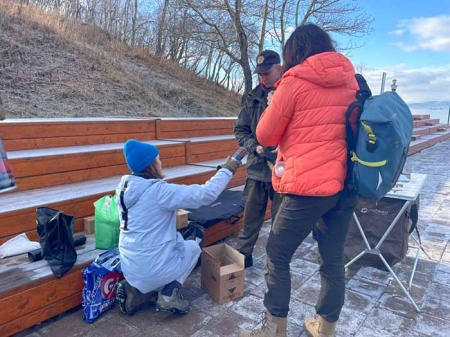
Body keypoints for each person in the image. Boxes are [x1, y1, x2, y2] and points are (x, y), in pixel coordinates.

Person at [240, 24, 359, 337]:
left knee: (276, 254)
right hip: (342, 186)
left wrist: (272, 106)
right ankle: (325, 327)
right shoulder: (351, 80)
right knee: (333, 261)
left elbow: (265, 135)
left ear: (294, 53)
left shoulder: (293, 82)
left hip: (305, 187)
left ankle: (273, 330)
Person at [115, 139, 241, 315]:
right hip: (154, 268)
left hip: (130, 267)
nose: (161, 162)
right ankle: (168, 294)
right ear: (150, 165)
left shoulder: (123, 189)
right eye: (158, 160)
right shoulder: (159, 191)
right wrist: (228, 169)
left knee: (173, 241)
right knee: (193, 246)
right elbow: (206, 194)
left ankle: (136, 291)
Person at [234, 50, 283, 268]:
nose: (263, 77)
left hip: (282, 170)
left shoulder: (290, 93)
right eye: (260, 73)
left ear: (279, 69)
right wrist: (255, 147)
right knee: (251, 218)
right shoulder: (251, 97)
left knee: (281, 222)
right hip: (256, 169)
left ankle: (276, 260)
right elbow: (241, 130)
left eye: (267, 72)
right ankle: (244, 256)